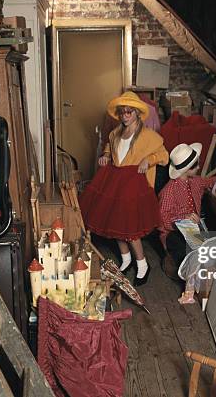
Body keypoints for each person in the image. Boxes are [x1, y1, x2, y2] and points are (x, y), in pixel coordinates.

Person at [80, 91, 168, 286]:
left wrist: (148, 159)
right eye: (122, 113)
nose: (125, 116)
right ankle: (126, 258)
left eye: (129, 112)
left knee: (130, 229)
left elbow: (164, 156)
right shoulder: (115, 133)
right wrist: (105, 156)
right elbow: (109, 150)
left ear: (137, 113)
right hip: (115, 180)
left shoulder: (148, 136)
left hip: (134, 183)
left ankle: (143, 264)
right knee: (116, 223)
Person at [158, 143, 216, 279]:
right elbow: (162, 220)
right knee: (187, 251)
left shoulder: (195, 180)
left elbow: (207, 182)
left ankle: (203, 270)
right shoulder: (169, 191)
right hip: (173, 232)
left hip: (195, 227)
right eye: (195, 166)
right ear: (186, 170)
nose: (199, 167)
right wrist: (183, 219)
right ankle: (177, 267)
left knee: (210, 244)